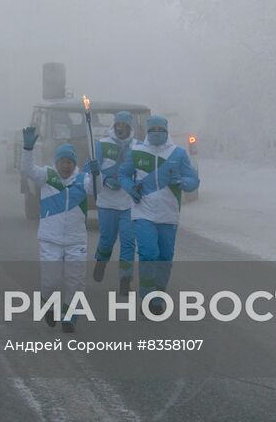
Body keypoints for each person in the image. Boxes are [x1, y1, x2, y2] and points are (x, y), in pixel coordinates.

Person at [123, 115, 199, 312]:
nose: (156, 133)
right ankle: (147, 298)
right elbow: (123, 173)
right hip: (143, 211)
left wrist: (182, 182)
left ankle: (158, 295)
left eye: (160, 130)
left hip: (169, 212)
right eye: (153, 130)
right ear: (147, 132)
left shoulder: (178, 154)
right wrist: (131, 188)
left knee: (165, 256)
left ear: (166, 131)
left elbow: (194, 180)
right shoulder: (137, 151)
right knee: (148, 254)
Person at [20, 128, 89, 332]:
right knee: (51, 281)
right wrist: (27, 148)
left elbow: (99, 189)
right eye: (62, 162)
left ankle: (69, 317)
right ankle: (47, 301)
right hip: (50, 239)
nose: (65, 166)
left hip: (76, 240)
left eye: (69, 162)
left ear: (74, 164)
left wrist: (97, 173)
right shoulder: (47, 176)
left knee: (75, 281)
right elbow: (28, 169)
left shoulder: (83, 180)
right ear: (56, 162)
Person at [86, 110, 137, 294]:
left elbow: (141, 172)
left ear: (130, 127)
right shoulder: (102, 145)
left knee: (129, 241)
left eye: (124, 126)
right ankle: (101, 261)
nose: (121, 129)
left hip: (129, 203)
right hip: (107, 202)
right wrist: (105, 179)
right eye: (118, 126)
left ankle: (125, 280)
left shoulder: (137, 146)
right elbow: (90, 168)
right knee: (107, 240)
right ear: (114, 126)